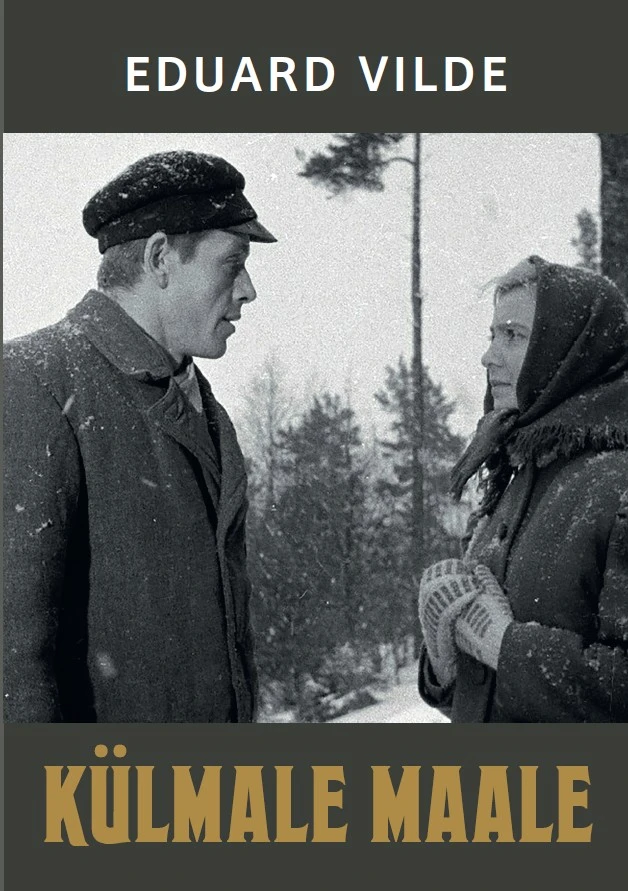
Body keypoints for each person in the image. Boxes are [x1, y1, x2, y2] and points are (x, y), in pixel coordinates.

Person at [3, 150, 276, 722]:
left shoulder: (204, 408)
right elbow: (12, 664)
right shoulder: (33, 381)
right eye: (232, 263)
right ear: (159, 258)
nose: (248, 290)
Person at [418, 255, 628, 722]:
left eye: (513, 335)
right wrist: (444, 659)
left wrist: (505, 647)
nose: (489, 356)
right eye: (492, 335)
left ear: (570, 352)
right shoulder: (517, 474)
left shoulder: (617, 483)